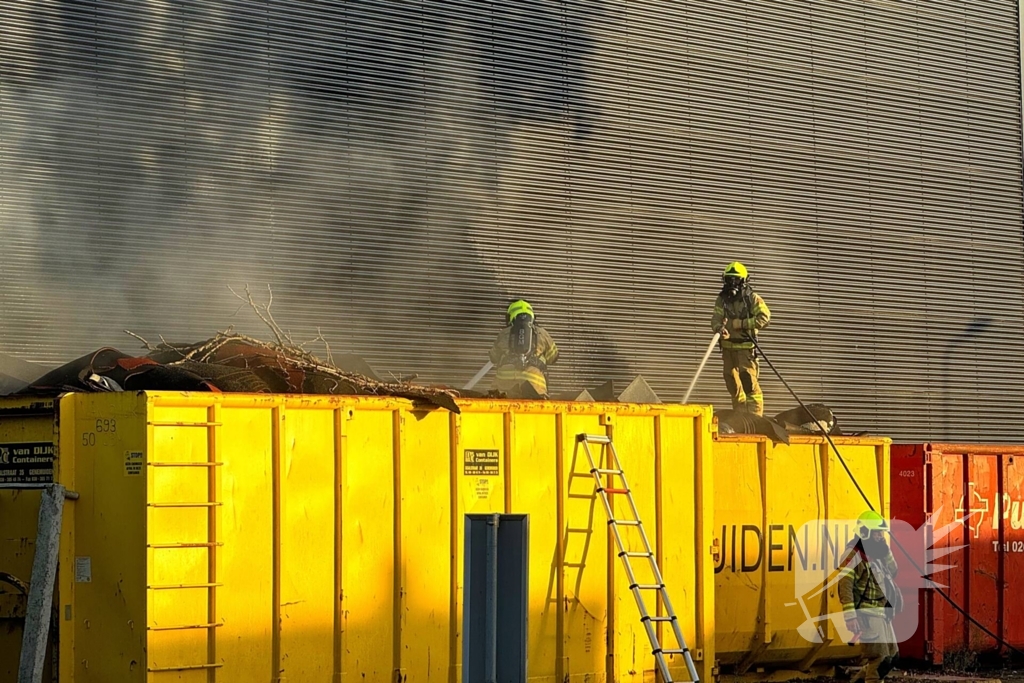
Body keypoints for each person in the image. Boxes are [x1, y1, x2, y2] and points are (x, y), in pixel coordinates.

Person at [838, 511, 901, 683]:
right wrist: (850, 617)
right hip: (867, 614)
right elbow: (845, 586)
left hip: (882, 613)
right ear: (864, 532)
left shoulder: (877, 552)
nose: (880, 537)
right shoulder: (852, 555)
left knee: (892, 657)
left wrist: (886, 551)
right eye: (877, 533)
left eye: (881, 533)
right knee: (879, 659)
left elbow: (894, 571)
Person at [709, 261, 771, 416]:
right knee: (733, 384)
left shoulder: (752, 299)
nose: (732, 283)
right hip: (728, 349)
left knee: (749, 383)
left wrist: (742, 324)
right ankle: (740, 417)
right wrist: (719, 328)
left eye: (735, 280)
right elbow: (715, 319)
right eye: (729, 279)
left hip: (745, 350)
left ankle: (755, 418)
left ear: (743, 281)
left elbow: (765, 318)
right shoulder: (722, 300)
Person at [489, 299, 559, 399]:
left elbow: (493, 357)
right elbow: (553, 357)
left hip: (503, 389)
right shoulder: (542, 333)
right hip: (535, 389)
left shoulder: (503, 333)